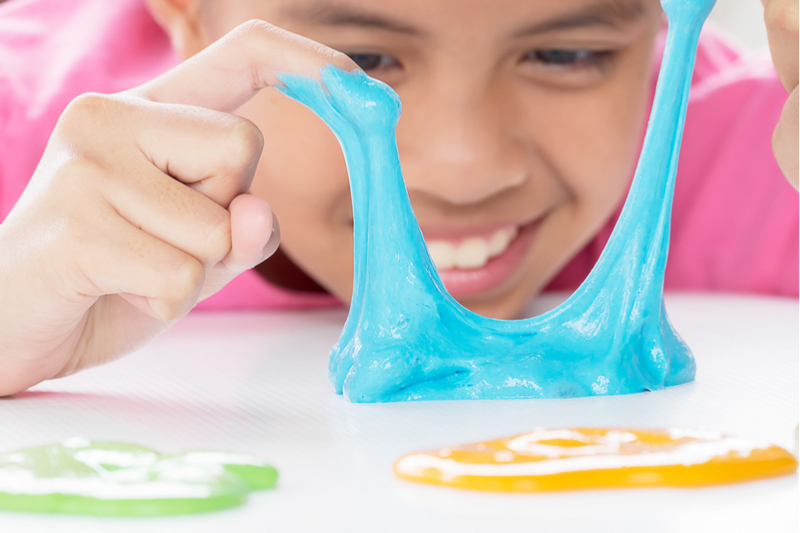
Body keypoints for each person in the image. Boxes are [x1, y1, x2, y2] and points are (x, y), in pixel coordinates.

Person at [0, 0, 796, 396]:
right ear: (185, 14)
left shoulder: (739, 148)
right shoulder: (26, 155)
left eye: (565, 53)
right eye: (364, 57)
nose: (465, 169)